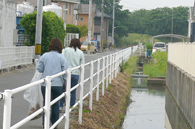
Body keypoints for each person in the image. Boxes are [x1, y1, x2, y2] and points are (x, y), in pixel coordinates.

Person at [36, 38, 68, 126]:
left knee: (46, 103)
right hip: (58, 84)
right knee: (55, 104)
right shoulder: (62, 57)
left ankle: (44, 123)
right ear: (60, 47)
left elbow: (39, 69)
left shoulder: (44, 56)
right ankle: (54, 124)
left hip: (45, 84)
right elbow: (65, 71)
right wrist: (64, 82)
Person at [62, 38, 85, 107]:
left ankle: (60, 105)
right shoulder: (80, 52)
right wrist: (82, 77)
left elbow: (62, 60)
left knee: (63, 90)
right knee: (73, 91)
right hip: (75, 74)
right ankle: (71, 106)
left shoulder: (65, 50)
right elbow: (82, 65)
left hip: (66, 73)